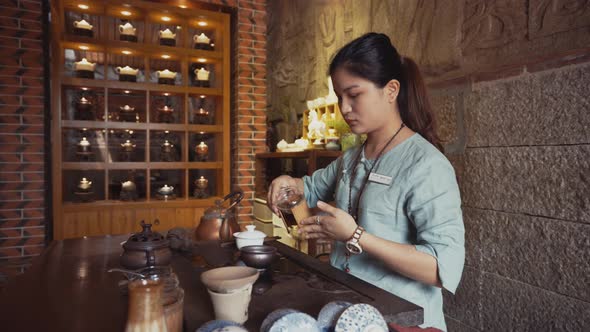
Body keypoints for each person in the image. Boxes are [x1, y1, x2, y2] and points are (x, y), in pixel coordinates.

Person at [267, 32, 465, 331]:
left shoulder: (427, 165)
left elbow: (440, 269)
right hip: (350, 311)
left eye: (354, 95)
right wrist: (287, 182)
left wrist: (356, 236)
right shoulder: (352, 157)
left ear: (391, 90)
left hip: (401, 319)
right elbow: (309, 188)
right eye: (339, 97)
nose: (344, 108)